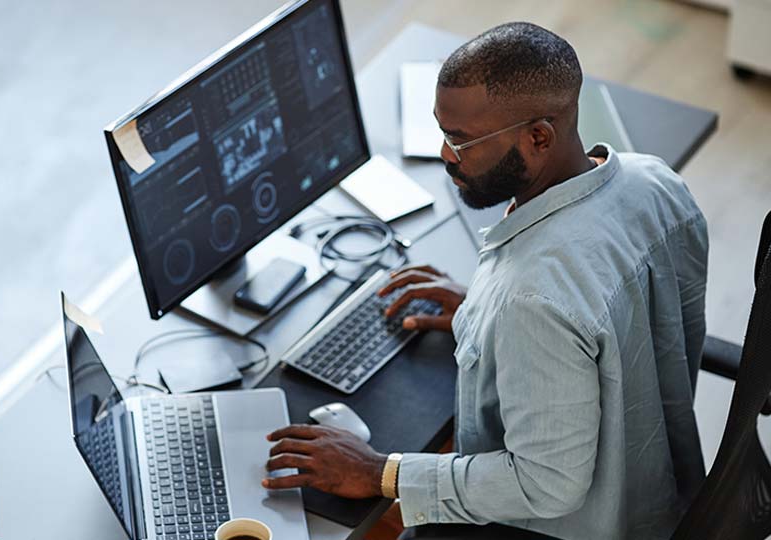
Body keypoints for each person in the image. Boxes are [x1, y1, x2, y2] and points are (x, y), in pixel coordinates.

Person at [263, 22, 708, 540]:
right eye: (442, 131)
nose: (446, 155)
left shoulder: (533, 299)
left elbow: (547, 485)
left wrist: (379, 471)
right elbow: (614, 317)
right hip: (659, 485)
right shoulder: (655, 181)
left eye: (462, 141)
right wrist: (485, 316)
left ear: (539, 136)